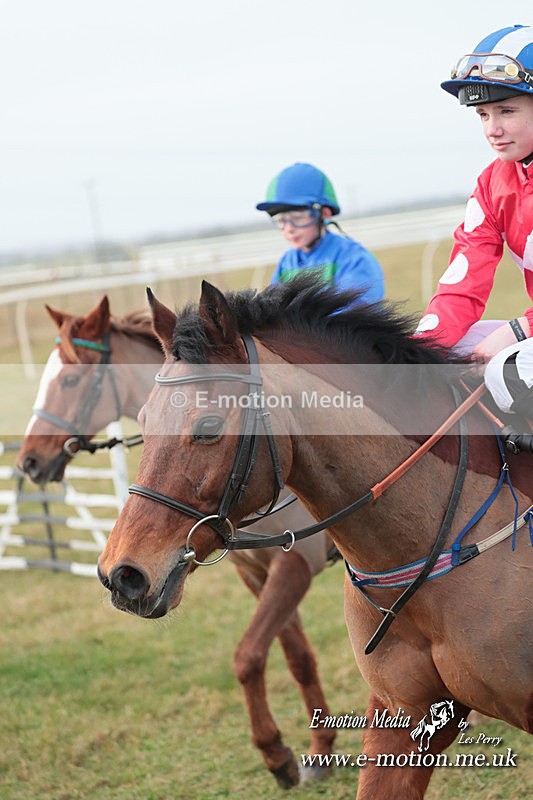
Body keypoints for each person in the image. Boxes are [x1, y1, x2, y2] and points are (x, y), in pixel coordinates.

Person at [415, 24, 533, 446]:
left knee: (508, 371)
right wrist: (415, 356)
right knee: (447, 351)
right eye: (483, 115)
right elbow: (461, 286)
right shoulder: (492, 184)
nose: (492, 129)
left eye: (506, 111)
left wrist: (518, 330)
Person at [256, 162, 385, 304]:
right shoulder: (286, 263)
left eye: (297, 218)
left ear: (324, 214)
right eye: (281, 221)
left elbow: (354, 316)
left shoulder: (354, 259)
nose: (289, 228)